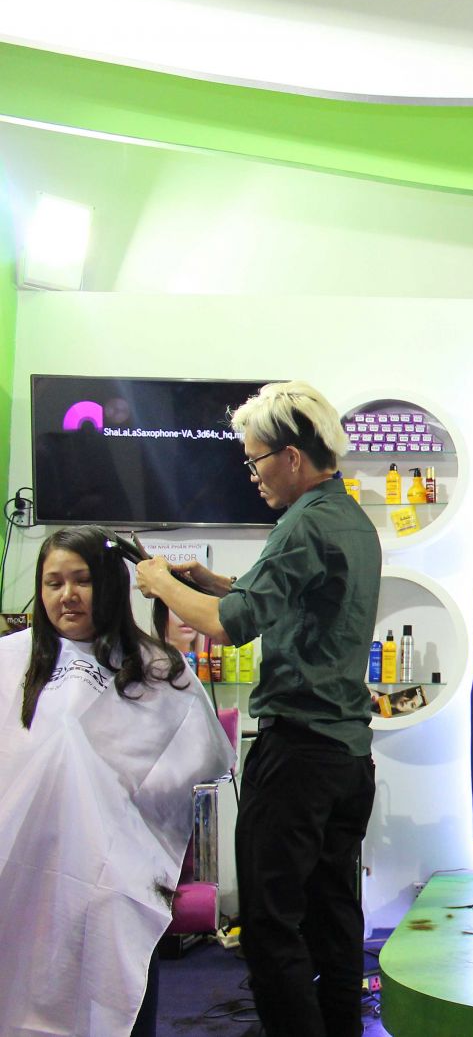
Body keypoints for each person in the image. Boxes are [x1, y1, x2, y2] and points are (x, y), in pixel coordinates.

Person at [136, 380, 381, 1037]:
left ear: (292, 456)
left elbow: (228, 625)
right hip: (346, 757)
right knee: (334, 915)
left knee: (271, 924)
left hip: (298, 756)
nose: (253, 474)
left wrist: (159, 583)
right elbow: (275, 597)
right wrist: (209, 580)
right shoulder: (347, 518)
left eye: (256, 460)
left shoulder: (303, 523)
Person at [0, 527, 233, 1037]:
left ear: (108, 585)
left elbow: (196, 763)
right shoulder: (10, 662)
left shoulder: (156, 670)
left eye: (81, 580)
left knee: (114, 980)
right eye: (53, 583)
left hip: (113, 873)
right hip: (24, 864)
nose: (67, 595)